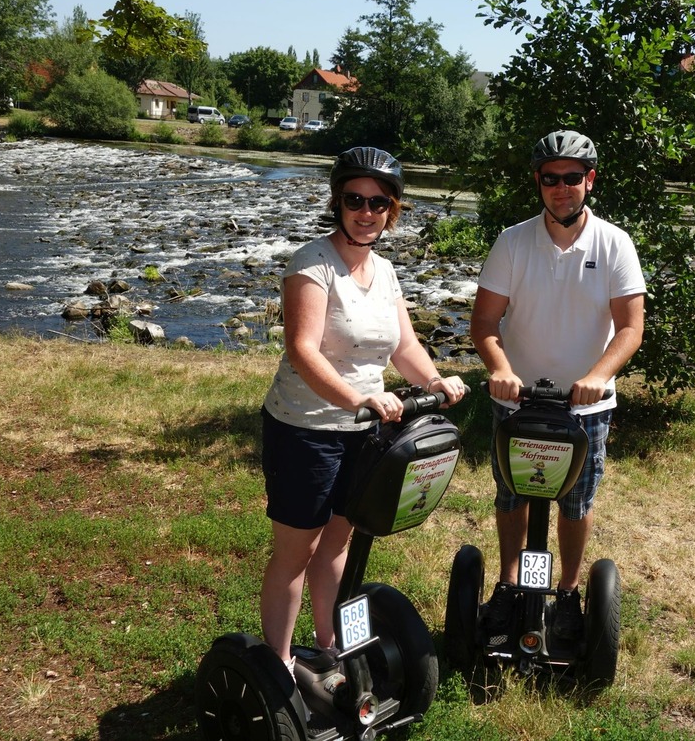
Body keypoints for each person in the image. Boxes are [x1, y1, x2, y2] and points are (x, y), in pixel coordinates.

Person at [259, 146, 467, 674]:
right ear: (339, 201)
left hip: (366, 430)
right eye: (356, 199)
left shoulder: (386, 271)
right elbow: (302, 350)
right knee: (297, 551)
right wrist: (358, 398)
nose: (366, 211)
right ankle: (278, 665)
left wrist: (436, 378)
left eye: (379, 202)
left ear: (392, 210)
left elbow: (404, 346)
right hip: (305, 428)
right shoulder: (312, 264)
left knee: (337, 544)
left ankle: (330, 647)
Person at [470, 129, 646, 639]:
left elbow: (631, 327)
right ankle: (507, 584)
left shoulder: (615, 243)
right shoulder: (513, 241)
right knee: (512, 496)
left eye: (572, 178)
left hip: (585, 407)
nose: (561, 188)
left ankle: (568, 591)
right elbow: (484, 323)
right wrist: (500, 369)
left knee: (576, 503)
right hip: (517, 400)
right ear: (539, 182)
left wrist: (596, 377)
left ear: (589, 180)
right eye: (551, 179)